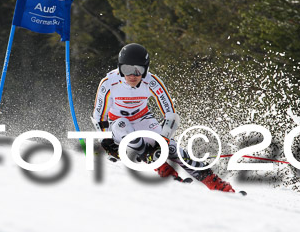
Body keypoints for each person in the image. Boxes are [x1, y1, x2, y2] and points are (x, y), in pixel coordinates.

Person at [91, 43, 235, 192]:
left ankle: (213, 181)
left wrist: (163, 140)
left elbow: (171, 115)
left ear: (145, 69)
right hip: (118, 126)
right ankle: (157, 163)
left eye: (138, 70)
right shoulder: (109, 83)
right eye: (127, 70)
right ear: (120, 68)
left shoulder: (151, 81)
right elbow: (99, 115)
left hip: (142, 119)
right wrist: (105, 139)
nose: (132, 76)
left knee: (171, 149)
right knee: (122, 124)